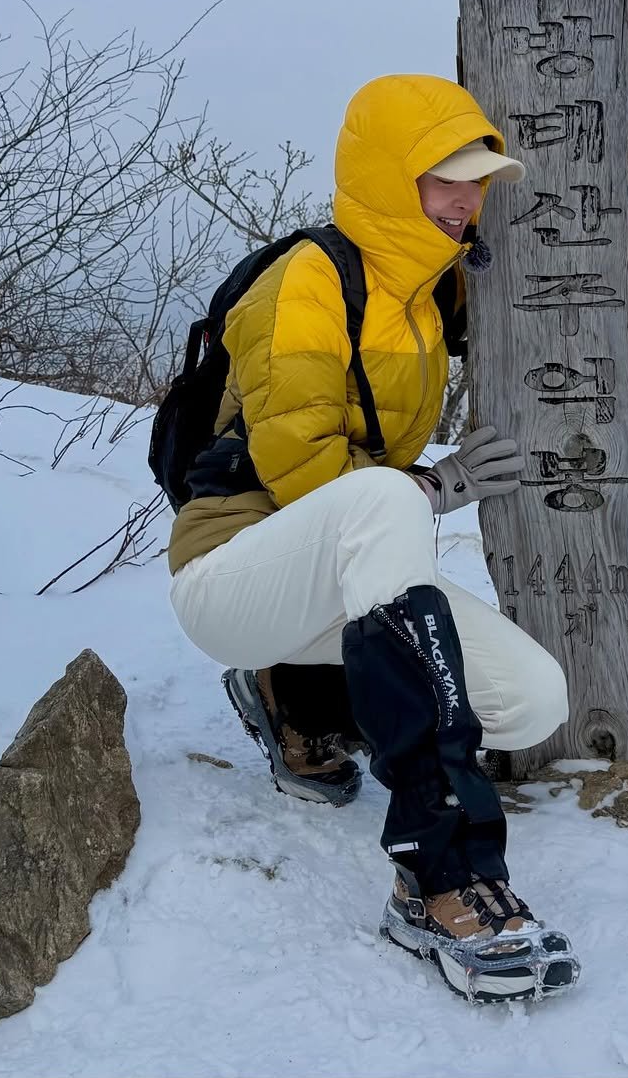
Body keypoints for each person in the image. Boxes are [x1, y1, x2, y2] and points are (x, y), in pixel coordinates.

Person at [166, 74, 579, 1003]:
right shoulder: (306, 282)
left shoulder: (430, 290)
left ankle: (300, 692)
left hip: (333, 574)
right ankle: (439, 876)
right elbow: (308, 469)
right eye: (445, 179)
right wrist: (438, 485)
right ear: (390, 177)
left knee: (530, 701)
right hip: (231, 572)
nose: (467, 200)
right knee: (388, 501)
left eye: (478, 181)